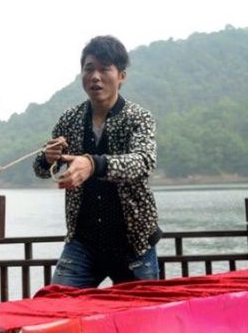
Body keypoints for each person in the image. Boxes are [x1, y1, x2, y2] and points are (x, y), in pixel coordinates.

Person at [33, 35, 161, 289]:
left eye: (104, 69)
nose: (95, 76)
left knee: (139, 323)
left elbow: (143, 161)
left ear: (121, 75)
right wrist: (47, 158)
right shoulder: (70, 119)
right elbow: (41, 170)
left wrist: (93, 164)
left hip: (133, 242)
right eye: (89, 68)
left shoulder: (138, 117)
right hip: (84, 242)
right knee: (58, 306)